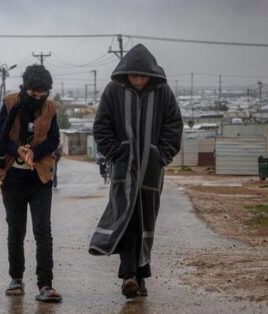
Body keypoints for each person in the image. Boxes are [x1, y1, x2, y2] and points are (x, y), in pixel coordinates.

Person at [88, 44, 183, 299]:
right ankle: (129, 276)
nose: (139, 80)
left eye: (143, 76)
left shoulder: (162, 93)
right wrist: (114, 152)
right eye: (134, 76)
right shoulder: (114, 91)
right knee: (126, 220)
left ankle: (141, 277)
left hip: (151, 172)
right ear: (126, 74)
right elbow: (101, 126)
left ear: (151, 75)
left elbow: (174, 125)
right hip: (123, 170)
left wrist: (161, 155)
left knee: (145, 222)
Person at [0, 64, 62, 302]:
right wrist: (16, 150)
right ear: (25, 89)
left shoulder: (50, 108)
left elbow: (54, 139)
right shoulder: (10, 103)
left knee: (43, 231)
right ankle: (16, 279)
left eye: (43, 95)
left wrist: (35, 153)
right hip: (13, 178)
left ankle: (45, 285)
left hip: (39, 178)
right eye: (33, 95)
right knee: (16, 230)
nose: (38, 100)